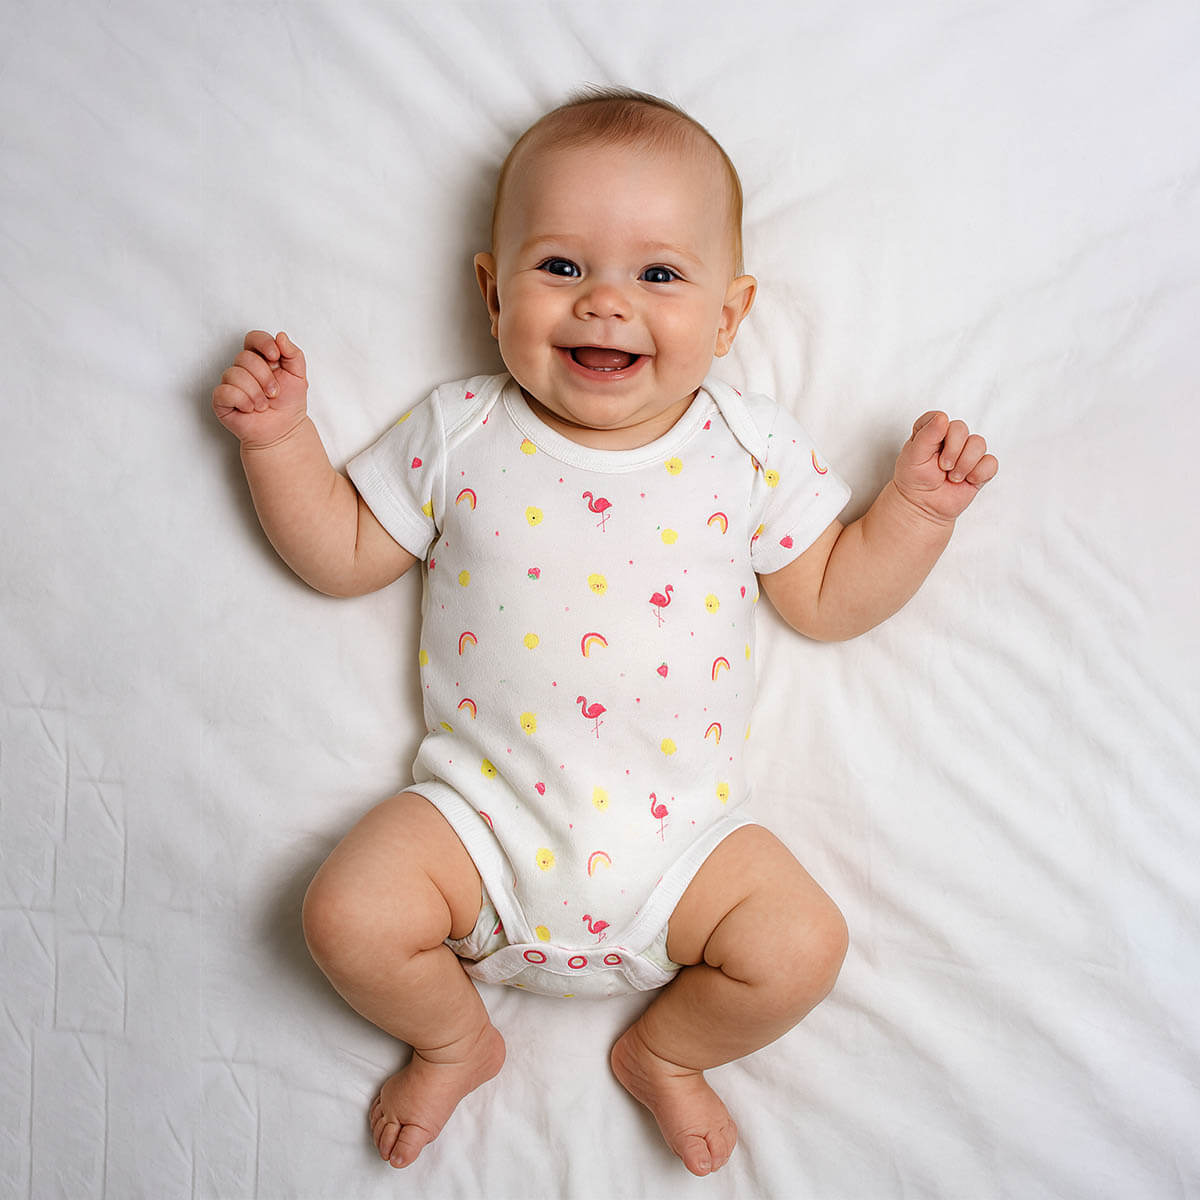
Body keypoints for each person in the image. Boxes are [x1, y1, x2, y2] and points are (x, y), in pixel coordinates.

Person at [211, 87, 997, 1177]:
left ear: (729, 317)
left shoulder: (747, 448)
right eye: (562, 267)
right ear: (493, 292)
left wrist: (911, 517)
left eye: (660, 275)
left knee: (802, 947)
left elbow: (825, 595)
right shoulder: (462, 429)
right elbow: (342, 553)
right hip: (478, 823)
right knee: (345, 915)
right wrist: (280, 443)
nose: (605, 305)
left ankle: (669, 1056)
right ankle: (453, 1037)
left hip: (684, 856)